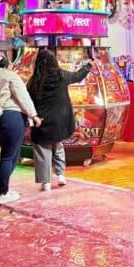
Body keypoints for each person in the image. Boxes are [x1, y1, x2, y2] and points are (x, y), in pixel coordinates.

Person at [27, 49, 92, 192]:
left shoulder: (34, 81)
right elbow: (77, 76)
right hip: (61, 119)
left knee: (43, 149)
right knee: (58, 144)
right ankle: (61, 174)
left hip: (42, 120)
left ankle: (46, 182)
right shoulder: (61, 75)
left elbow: (28, 100)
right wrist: (88, 66)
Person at [0, 55, 40, 204]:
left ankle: (2, 189)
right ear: (7, 64)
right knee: (8, 156)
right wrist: (34, 115)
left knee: (10, 154)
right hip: (11, 117)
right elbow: (23, 97)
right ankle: (2, 192)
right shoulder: (10, 76)